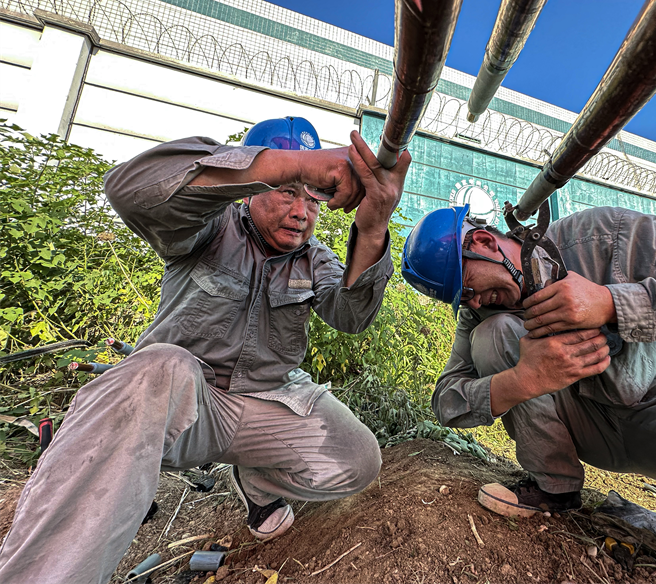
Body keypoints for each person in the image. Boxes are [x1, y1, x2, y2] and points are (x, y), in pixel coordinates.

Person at [0, 117, 410, 584]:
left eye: (313, 198)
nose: (301, 212)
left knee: (357, 458)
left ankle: (257, 482)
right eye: (287, 191)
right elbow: (129, 190)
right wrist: (298, 164)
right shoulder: (208, 225)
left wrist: (372, 229)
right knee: (161, 366)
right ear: (254, 186)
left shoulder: (313, 259)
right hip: (182, 407)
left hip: (264, 404)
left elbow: (350, 316)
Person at [401, 203, 656, 582]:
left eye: (467, 286)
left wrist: (614, 304)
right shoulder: (479, 313)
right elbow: (446, 401)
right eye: (460, 299)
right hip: (593, 429)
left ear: (484, 242)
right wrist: (524, 379)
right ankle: (554, 490)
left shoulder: (601, 237)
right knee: (495, 333)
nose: (472, 301)